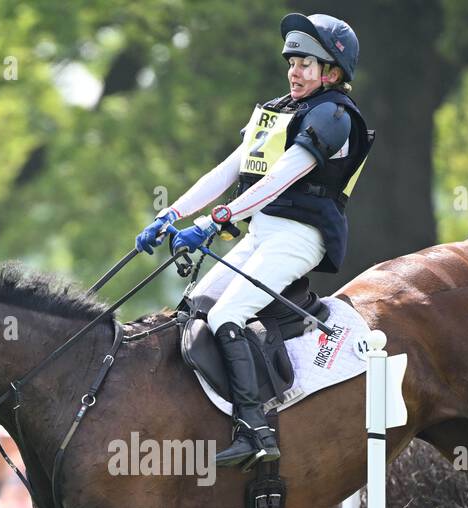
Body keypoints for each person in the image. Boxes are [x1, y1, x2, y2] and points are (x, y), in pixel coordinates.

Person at [135, 13, 372, 470]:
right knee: (194, 309)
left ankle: (256, 430)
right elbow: (225, 172)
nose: (295, 71)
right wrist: (171, 214)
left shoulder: (335, 116)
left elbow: (286, 177)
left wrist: (215, 220)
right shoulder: (277, 111)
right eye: (292, 62)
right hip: (261, 231)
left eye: (306, 63)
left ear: (333, 73)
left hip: (301, 237)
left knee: (228, 314)